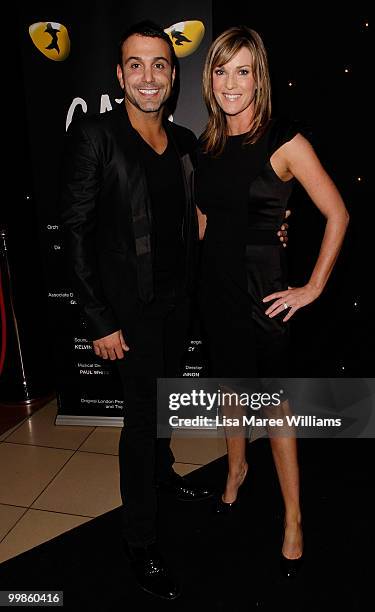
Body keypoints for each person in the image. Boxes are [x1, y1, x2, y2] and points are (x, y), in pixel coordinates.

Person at [59, 21, 214, 601]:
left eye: (160, 65)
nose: (149, 76)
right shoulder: (95, 137)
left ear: (173, 76)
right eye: (137, 65)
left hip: (178, 302)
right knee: (141, 420)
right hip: (128, 313)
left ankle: (163, 475)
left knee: (164, 404)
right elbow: (73, 235)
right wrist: (99, 320)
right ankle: (140, 539)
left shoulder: (184, 142)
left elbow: (202, 217)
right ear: (120, 74)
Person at [195, 26, 350, 578]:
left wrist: (313, 287)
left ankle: (293, 518)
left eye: (242, 70)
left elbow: (338, 213)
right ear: (209, 79)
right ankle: (235, 469)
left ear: (257, 76)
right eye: (220, 70)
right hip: (215, 291)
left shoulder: (285, 141)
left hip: (265, 294)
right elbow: (206, 220)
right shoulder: (207, 144)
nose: (230, 82)